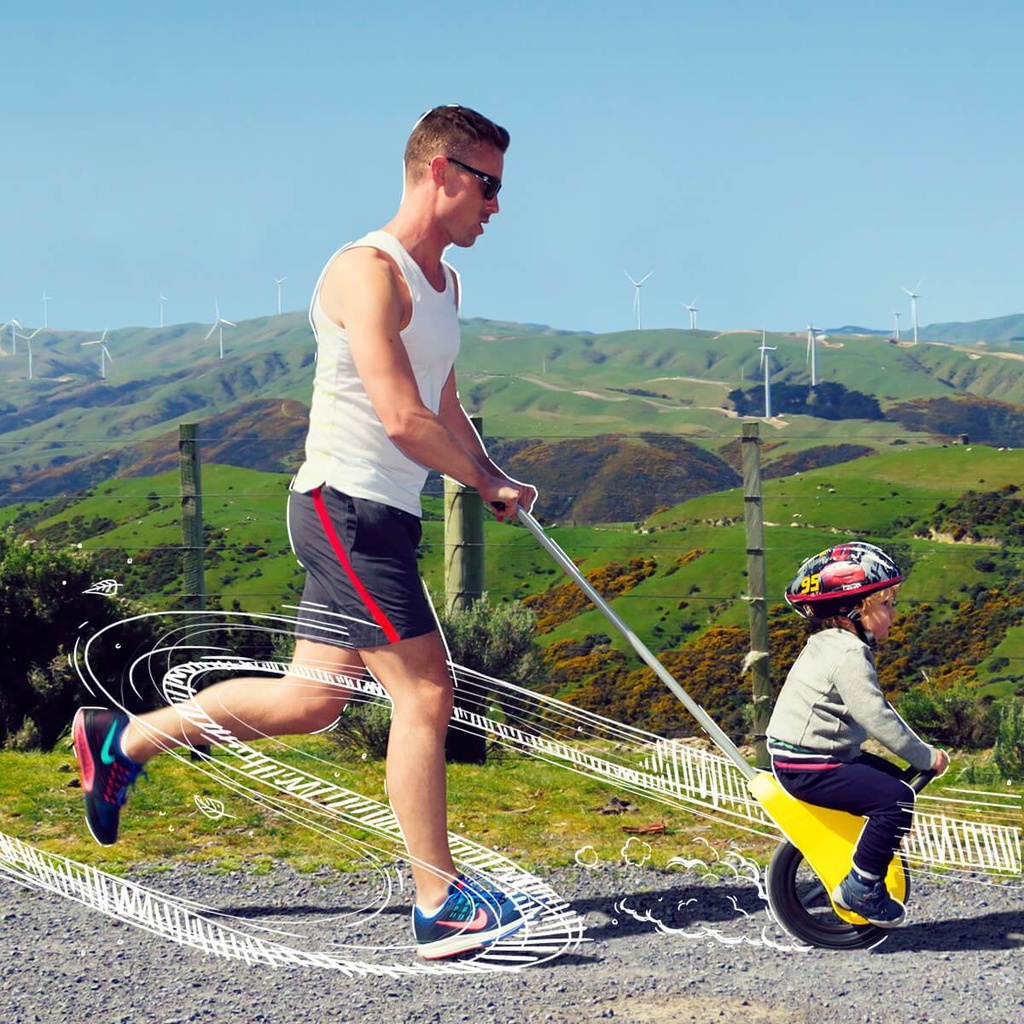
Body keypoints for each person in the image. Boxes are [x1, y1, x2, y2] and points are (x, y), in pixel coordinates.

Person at [72, 103, 538, 960]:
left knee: (314, 701)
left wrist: (492, 469)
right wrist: (480, 480)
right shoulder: (368, 271)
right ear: (440, 171)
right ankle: (438, 902)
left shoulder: (446, 283)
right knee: (425, 692)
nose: (496, 206)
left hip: (383, 512)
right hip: (345, 507)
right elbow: (398, 418)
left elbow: (439, 404)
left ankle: (122, 740)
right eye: (488, 184)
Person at [766, 541, 949, 928]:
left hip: (804, 755)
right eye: (886, 605)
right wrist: (925, 757)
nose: (894, 614)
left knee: (893, 784)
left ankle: (866, 854)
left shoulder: (829, 643)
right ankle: (861, 886)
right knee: (897, 798)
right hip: (810, 765)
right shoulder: (849, 655)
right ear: (853, 610)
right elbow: (877, 717)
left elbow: (874, 708)